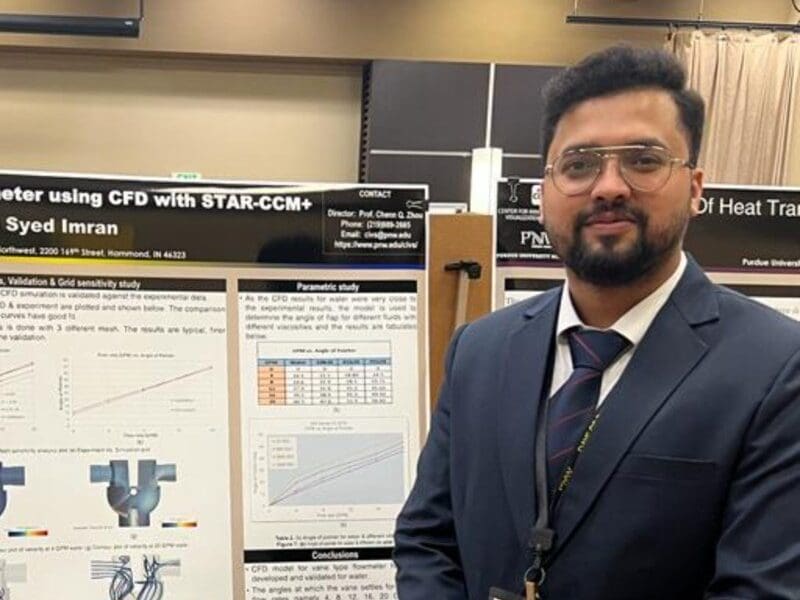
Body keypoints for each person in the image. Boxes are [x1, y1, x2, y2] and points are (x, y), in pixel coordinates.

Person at [394, 45, 800, 600]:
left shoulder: (776, 369)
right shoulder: (480, 350)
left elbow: (759, 591)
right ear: (544, 195)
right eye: (579, 164)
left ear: (697, 188)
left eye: (644, 159)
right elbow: (427, 540)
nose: (609, 186)